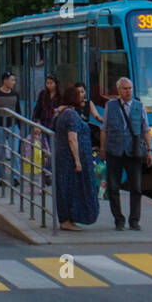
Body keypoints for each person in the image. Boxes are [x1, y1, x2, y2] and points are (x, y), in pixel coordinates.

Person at [100, 76, 152, 230]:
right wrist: (102, 149)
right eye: (125, 88)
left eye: (130, 88)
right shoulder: (110, 105)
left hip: (133, 152)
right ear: (118, 90)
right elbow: (104, 129)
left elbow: (146, 129)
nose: (129, 91)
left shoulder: (139, 106)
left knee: (136, 188)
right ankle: (119, 220)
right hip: (114, 151)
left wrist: (150, 151)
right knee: (114, 187)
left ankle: (134, 220)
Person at [53, 85, 98, 230]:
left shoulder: (63, 113)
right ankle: (67, 220)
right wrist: (78, 160)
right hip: (70, 159)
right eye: (79, 94)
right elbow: (72, 138)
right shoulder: (71, 115)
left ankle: (68, 219)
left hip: (64, 157)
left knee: (67, 187)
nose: (82, 97)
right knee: (71, 188)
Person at [0, 73, 21, 184]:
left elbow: (18, 110)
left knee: (14, 152)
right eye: (12, 80)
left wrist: (19, 126)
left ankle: (15, 177)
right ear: (5, 81)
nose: (13, 82)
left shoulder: (15, 94)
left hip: (13, 125)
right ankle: (1, 177)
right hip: (0, 126)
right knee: (0, 152)